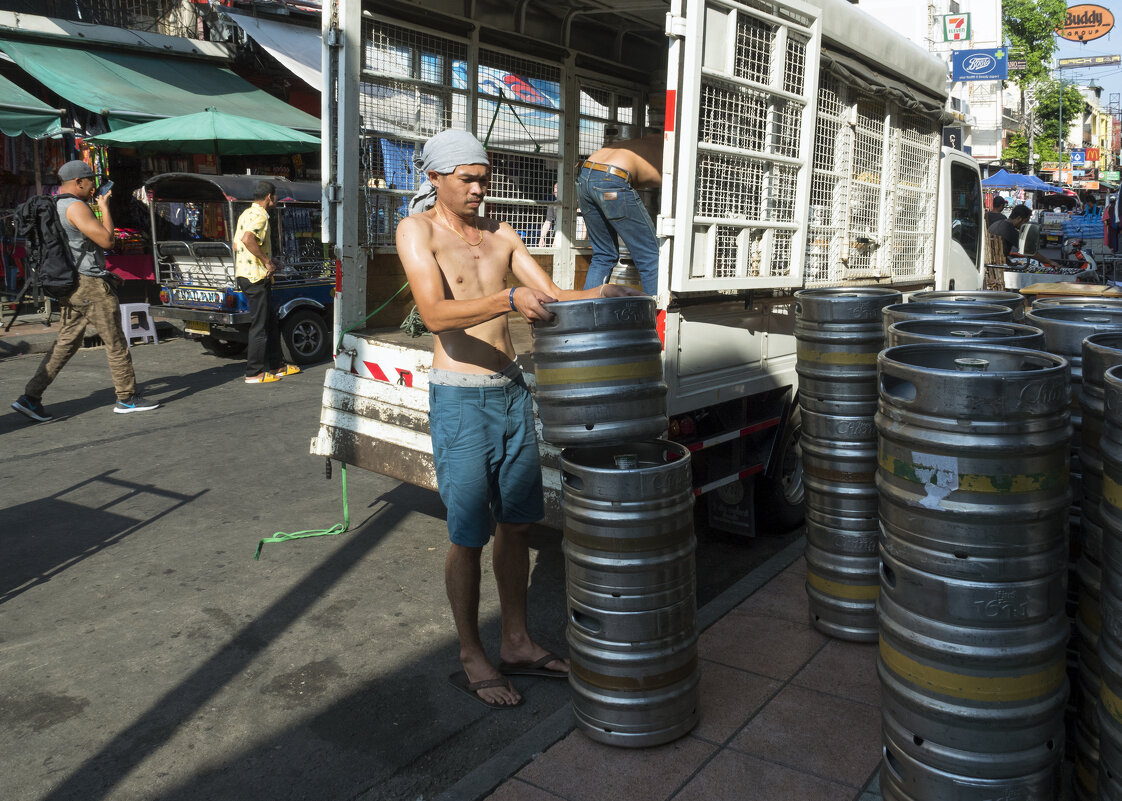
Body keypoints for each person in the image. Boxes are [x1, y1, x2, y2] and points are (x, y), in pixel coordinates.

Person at [397, 129, 640, 709]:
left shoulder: (502, 236)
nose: (480, 188)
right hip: (460, 397)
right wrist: (506, 300)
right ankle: (470, 652)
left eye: (485, 177)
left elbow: (552, 293)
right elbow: (434, 314)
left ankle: (516, 642)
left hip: (510, 391)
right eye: (468, 179)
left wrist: (605, 292)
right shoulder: (418, 231)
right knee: (468, 534)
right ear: (435, 178)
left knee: (518, 525)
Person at [11, 161, 159, 422]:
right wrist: (104, 209)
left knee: (67, 341)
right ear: (78, 182)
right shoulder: (76, 207)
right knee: (115, 341)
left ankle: (30, 397)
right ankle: (127, 398)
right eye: (91, 181)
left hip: (70, 283)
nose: (93, 187)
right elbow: (107, 240)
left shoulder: (54, 205)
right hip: (89, 284)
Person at [577, 132, 663, 295]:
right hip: (612, 179)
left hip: (585, 174)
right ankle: (655, 316)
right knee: (650, 257)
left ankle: (587, 311)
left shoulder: (645, 141)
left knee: (603, 254)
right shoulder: (676, 151)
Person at [234, 181, 300, 384]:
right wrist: (264, 261)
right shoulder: (261, 216)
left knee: (270, 322)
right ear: (269, 197)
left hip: (246, 274)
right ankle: (253, 373)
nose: (276, 199)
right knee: (260, 325)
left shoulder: (245, 213)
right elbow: (247, 239)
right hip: (255, 277)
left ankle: (277, 365)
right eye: (276, 196)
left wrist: (269, 260)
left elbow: (236, 245)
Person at [988, 203, 1057, 267]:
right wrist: (1050, 262)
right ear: (1019, 218)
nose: (1025, 224)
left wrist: (1010, 263)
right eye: (1025, 221)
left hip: (992, 262)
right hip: (994, 265)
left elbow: (1000, 254)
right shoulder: (1008, 229)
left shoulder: (999, 223)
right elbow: (1029, 251)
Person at [537, 182, 558, 248]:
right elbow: (548, 221)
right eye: (555, 192)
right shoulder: (553, 204)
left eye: (557, 191)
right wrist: (542, 237)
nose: (556, 194)